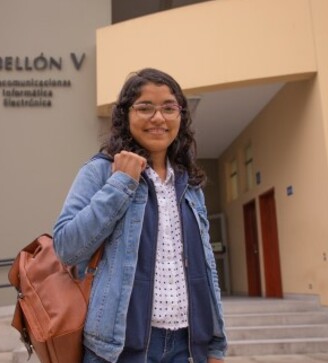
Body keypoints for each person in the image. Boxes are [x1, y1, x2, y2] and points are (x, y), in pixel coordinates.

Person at [53, 68, 227, 363]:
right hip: (118, 350)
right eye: (145, 107)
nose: (158, 118)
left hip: (186, 347)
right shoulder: (100, 171)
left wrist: (215, 345)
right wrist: (120, 184)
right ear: (126, 115)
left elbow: (206, 268)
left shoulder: (190, 185)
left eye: (169, 108)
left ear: (180, 117)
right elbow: (67, 248)